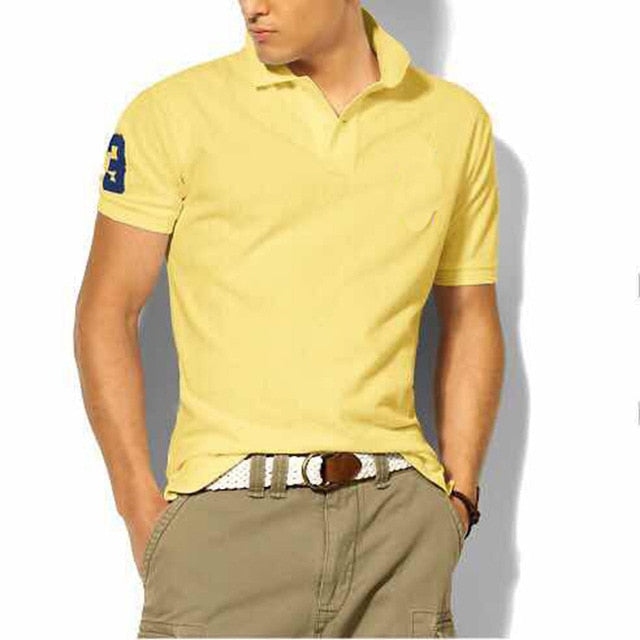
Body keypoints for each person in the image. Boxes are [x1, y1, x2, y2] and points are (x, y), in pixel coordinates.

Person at [73, 1, 504, 637]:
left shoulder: (453, 120)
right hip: (224, 527)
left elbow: (470, 315)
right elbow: (107, 311)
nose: (253, 5)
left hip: (398, 527)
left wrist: (460, 497)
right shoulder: (173, 113)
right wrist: (139, 506)